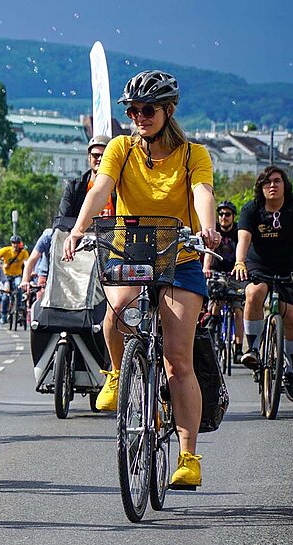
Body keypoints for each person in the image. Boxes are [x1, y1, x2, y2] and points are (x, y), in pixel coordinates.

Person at [65, 69, 219, 489]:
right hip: (134, 247)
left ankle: (188, 456)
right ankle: (119, 374)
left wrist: (207, 227)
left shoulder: (193, 155)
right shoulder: (120, 148)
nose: (138, 117)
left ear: (168, 111)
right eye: (132, 111)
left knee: (177, 360)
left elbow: (203, 193)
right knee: (113, 316)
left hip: (182, 252)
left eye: (147, 110)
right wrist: (80, 228)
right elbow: (100, 190)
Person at [235, 168, 293, 380]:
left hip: (288, 266)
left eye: (277, 181)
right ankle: (252, 349)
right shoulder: (252, 209)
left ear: (285, 185)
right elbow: (243, 239)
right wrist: (240, 261)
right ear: (261, 187)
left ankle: (289, 367)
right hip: (259, 264)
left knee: (291, 314)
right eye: (267, 182)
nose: (272, 185)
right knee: (254, 292)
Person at [203, 200, 244, 356]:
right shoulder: (215, 231)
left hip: (235, 274)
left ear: (233, 216)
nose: (223, 217)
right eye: (220, 214)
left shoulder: (239, 231)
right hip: (216, 272)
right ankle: (213, 328)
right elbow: (209, 250)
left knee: (238, 310)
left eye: (227, 214)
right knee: (216, 302)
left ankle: (239, 349)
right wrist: (206, 268)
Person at [55, 134, 113, 229]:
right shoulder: (74, 187)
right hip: (80, 236)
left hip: (111, 237)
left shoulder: (120, 187)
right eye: (96, 155)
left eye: (105, 156)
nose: (100, 159)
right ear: (89, 157)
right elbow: (61, 221)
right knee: (49, 234)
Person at [0, 235, 29, 323]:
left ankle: (18, 309)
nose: (15, 245)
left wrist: (30, 271)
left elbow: (26, 263)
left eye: (17, 243)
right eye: (14, 243)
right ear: (11, 244)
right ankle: (3, 315)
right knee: (5, 297)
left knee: (19, 287)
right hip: (6, 276)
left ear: (20, 244)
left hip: (17, 275)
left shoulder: (23, 252)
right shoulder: (6, 250)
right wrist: (1, 265)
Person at [22, 227, 54, 302]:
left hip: (70, 276)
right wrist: (25, 280)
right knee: (41, 306)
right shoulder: (49, 236)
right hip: (46, 276)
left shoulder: (81, 236)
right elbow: (32, 259)